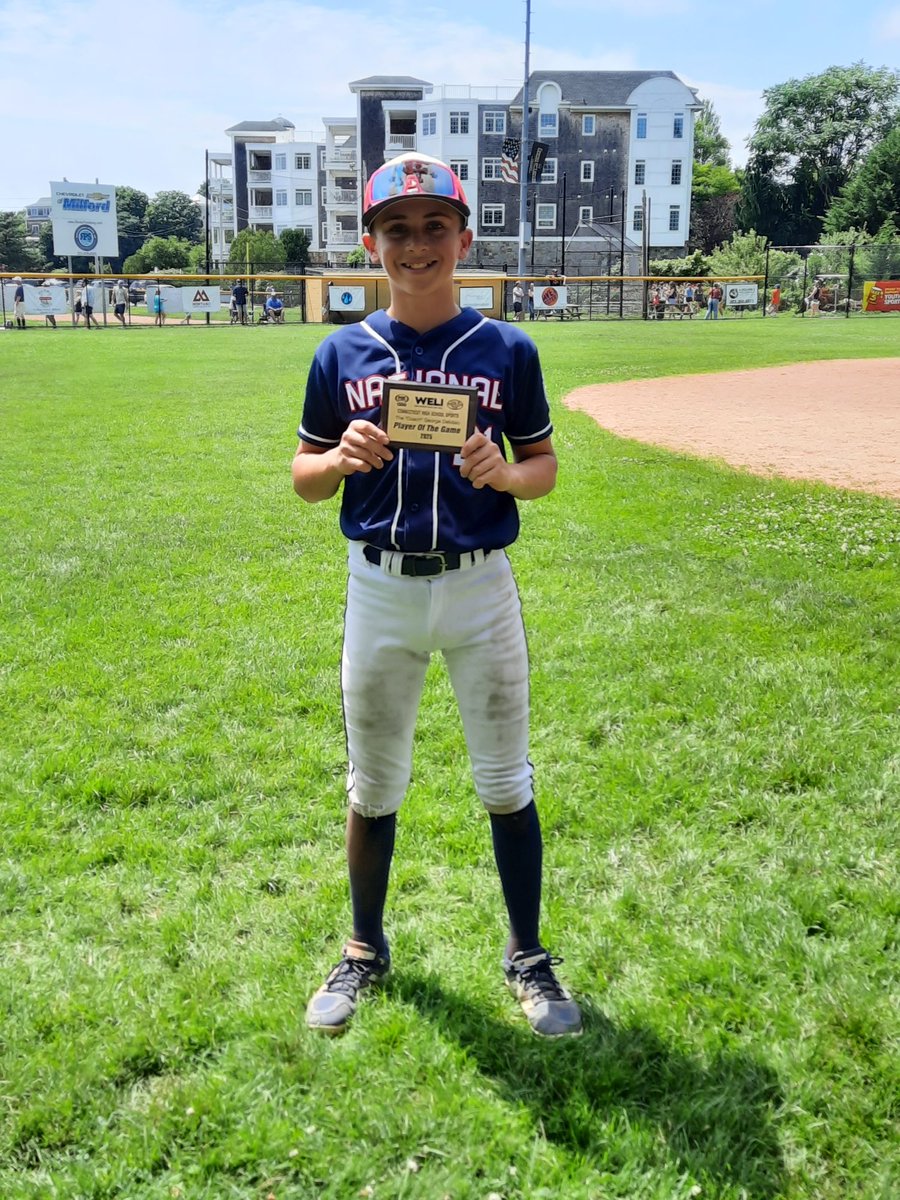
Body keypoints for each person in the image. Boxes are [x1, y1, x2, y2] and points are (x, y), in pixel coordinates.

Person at [293, 151, 582, 1041]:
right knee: (373, 781)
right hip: (379, 587)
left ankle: (528, 956)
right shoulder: (341, 350)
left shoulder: (507, 348)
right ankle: (364, 947)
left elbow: (545, 468)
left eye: (433, 227)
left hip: (478, 587)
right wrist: (337, 459)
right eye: (396, 229)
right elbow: (303, 476)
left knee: (504, 778)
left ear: (463, 236)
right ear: (372, 243)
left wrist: (506, 473)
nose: (416, 244)